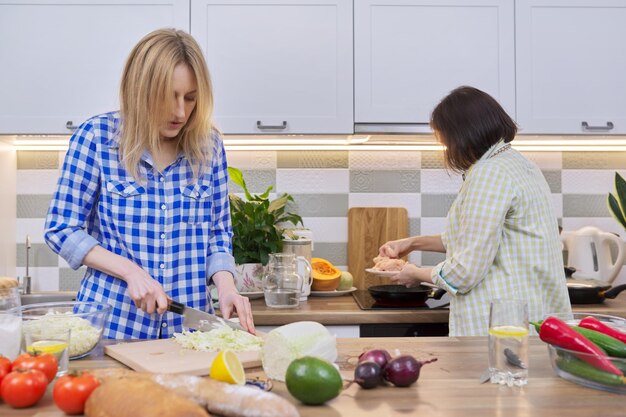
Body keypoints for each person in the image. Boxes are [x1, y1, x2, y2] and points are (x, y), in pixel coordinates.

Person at [44, 28, 255, 339]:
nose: (181, 111)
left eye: (190, 98)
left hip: (191, 335)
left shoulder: (209, 146)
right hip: (112, 330)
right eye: (168, 97)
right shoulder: (97, 138)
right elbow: (61, 228)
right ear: (140, 90)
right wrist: (130, 272)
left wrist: (226, 286)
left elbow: (218, 233)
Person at [379, 86, 571, 336]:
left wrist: (415, 274)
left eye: (444, 140)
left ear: (461, 134)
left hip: (501, 327)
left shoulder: (489, 173)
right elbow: (477, 239)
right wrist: (412, 243)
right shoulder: (519, 165)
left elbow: (464, 272)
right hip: (532, 320)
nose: (446, 149)